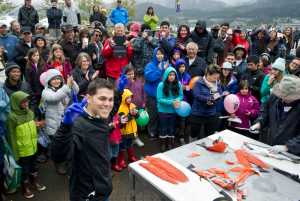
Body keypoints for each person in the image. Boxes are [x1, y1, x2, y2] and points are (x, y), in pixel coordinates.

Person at [52, 78, 114, 201]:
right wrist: (65, 127)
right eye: (102, 98)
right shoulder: (77, 125)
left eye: (110, 99)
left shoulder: (101, 115)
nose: (107, 104)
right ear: (89, 98)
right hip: (87, 195)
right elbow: (59, 156)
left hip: (103, 189)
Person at [6, 91, 46, 199]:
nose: (26, 103)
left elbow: (31, 126)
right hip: (22, 150)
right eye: (23, 101)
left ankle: (34, 182)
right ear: (15, 102)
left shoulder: (30, 113)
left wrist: (38, 125)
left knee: (34, 167)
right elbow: (11, 136)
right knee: (25, 170)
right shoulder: (12, 117)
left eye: (27, 100)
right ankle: (25, 188)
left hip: (33, 146)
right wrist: (15, 154)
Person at [251, 75, 300, 156]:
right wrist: (259, 123)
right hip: (270, 145)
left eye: (287, 97)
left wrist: (287, 147)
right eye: (282, 95)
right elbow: (265, 110)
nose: (283, 99)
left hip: (291, 155)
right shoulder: (275, 97)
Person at [41, 69, 78, 174]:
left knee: (66, 144)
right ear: (49, 81)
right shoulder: (46, 92)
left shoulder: (63, 89)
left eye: (58, 78)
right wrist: (67, 86)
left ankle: (66, 162)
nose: (57, 81)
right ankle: (58, 164)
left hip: (64, 123)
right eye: (54, 79)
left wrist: (72, 82)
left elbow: (75, 91)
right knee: (57, 147)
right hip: (53, 125)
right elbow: (55, 98)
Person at [190, 64, 222, 140]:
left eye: (217, 77)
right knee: (194, 133)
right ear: (208, 74)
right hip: (198, 113)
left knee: (209, 135)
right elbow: (196, 95)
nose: (216, 79)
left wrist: (215, 101)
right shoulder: (199, 82)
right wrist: (207, 99)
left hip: (211, 113)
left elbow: (219, 94)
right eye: (214, 77)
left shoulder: (217, 83)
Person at [144, 47, 169, 139]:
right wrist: (160, 70)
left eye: (161, 53)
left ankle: (160, 131)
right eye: (158, 53)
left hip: (163, 95)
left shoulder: (165, 65)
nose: (160, 56)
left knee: (161, 114)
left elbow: (170, 76)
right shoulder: (149, 66)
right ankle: (151, 132)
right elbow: (150, 78)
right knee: (153, 114)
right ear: (154, 54)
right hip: (152, 95)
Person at [156, 67, 183, 150]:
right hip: (163, 110)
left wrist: (177, 100)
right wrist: (172, 102)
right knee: (163, 127)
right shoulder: (161, 85)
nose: (172, 77)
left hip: (173, 110)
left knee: (171, 127)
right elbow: (159, 99)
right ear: (166, 75)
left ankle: (170, 142)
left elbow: (181, 96)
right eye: (170, 75)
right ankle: (163, 143)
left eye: (173, 75)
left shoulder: (178, 84)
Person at [24, 48, 45, 112]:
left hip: (42, 89)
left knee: (43, 105)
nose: (36, 57)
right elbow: (28, 81)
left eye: (37, 55)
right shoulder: (28, 67)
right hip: (34, 90)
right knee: (36, 106)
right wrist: (31, 91)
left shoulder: (42, 64)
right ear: (30, 57)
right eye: (34, 56)